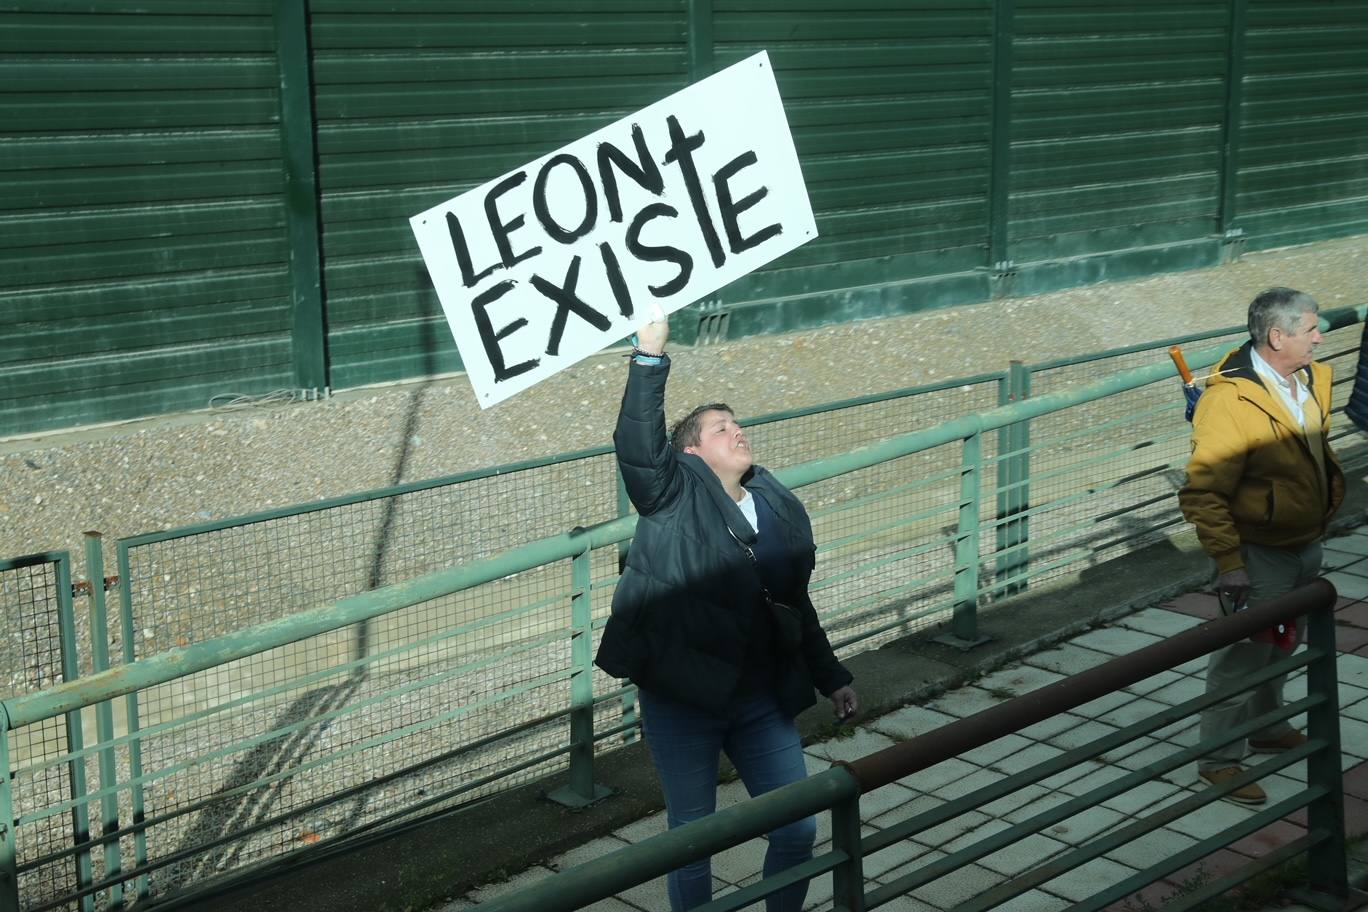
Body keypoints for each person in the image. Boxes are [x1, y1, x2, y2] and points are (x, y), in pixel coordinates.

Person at [595, 309, 857, 911]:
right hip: (683, 699)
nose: (736, 431)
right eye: (719, 428)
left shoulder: (776, 503)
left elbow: (792, 604)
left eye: (737, 424)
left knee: (796, 825)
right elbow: (637, 447)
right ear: (690, 451)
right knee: (692, 840)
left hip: (759, 699)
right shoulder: (671, 494)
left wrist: (831, 675)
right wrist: (649, 355)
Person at [1179, 287, 1344, 805]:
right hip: (1259, 555)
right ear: (1278, 336)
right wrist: (1230, 563)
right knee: (1242, 659)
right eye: (1310, 330)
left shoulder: (1314, 377)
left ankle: (1268, 728)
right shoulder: (1227, 401)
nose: (1320, 337)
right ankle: (1220, 761)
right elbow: (1203, 492)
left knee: (1281, 640)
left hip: (1304, 542)